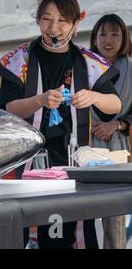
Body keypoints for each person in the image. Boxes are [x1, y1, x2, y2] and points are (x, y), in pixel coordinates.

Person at [0, 0, 121, 249]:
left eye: (62, 20)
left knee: (71, 233)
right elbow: (8, 109)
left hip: (73, 163)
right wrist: (39, 100)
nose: (54, 27)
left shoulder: (88, 60)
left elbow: (113, 105)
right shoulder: (20, 59)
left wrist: (93, 96)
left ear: (75, 23)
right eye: (47, 19)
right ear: (38, 21)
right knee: (21, 233)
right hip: (23, 164)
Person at [89, 14, 132, 249]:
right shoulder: (83, 65)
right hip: (83, 143)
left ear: (124, 38)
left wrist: (116, 124)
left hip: (117, 147)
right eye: (103, 33)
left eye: (115, 34)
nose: (108, 40)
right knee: (77, 208)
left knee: (114, 213)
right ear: (94, 37)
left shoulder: (131, 69)